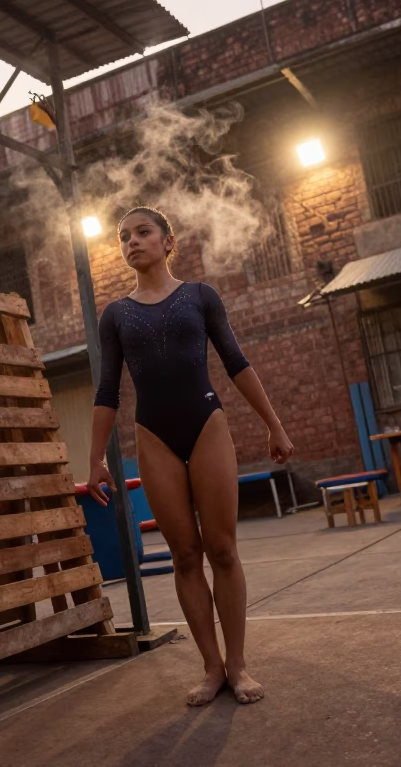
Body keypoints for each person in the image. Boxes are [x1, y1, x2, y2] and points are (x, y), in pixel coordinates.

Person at [87, 206, 294, 706]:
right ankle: (212, 667)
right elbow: (108, 389)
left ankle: (239, 664)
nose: (131, 242)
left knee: (222, 549)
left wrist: (274, 424)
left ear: (168, 241)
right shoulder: (115, 314)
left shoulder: (200, 297)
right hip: (153, 434)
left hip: (206, 424)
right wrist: (95, 459)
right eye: (123, 237)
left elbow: (236, 361)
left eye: (142, 233)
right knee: (184, 555)